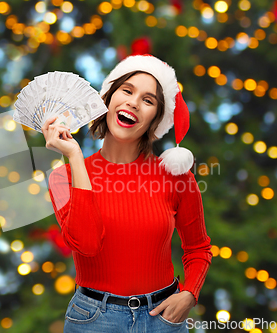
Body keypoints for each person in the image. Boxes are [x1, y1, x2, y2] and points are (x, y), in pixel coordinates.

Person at [42, 54, 212, 333]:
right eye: (127, 90)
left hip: (163, 319)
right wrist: (73, 156)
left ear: (155, 119)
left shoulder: (176, 176)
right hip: (94, 320)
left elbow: (198, 247)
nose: (134, 102)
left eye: (148, 100)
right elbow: (87, 244)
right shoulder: (63, 177)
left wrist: (190, 293)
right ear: (108, 100)